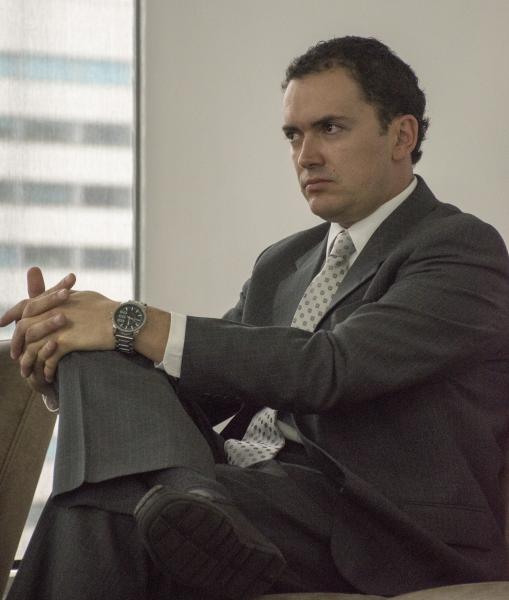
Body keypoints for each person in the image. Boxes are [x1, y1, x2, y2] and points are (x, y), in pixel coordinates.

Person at [2, 36, 509, 600]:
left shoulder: (459, 249)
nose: (306, 155)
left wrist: (131, 320)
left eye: (330, 128)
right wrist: (66, 353)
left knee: (103, 500)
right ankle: (193, 501)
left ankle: (193, 503)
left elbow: (330, 368)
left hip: (371, 524)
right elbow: (196, 388)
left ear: (402, 136)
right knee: (99, 355)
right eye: (294, 135)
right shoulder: (283, 262)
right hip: (241, 492)